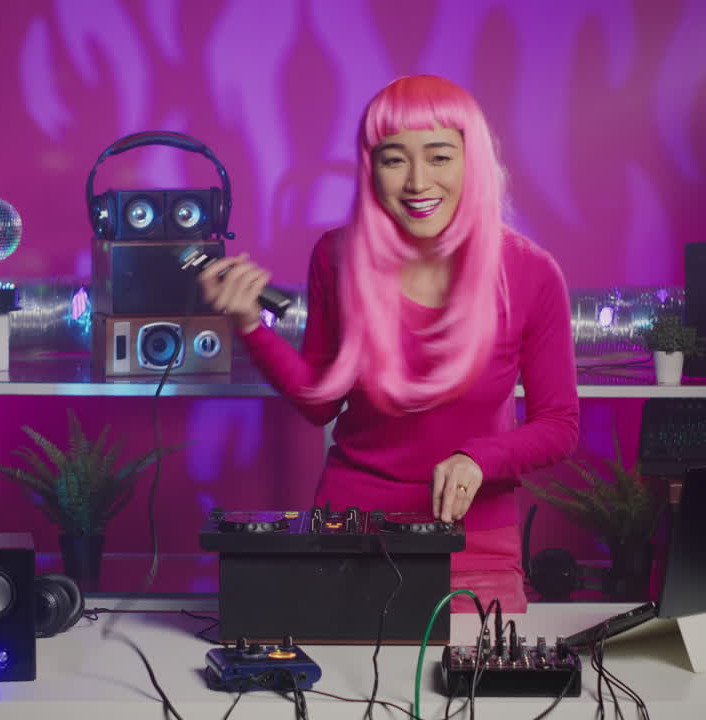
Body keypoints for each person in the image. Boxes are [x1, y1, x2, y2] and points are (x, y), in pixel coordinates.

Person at [197, 75, 580, 613]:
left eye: (440, 157)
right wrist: (248, 324)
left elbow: (558, 425)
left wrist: (480, 457)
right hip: (352, 530)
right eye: (394, 159)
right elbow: (319, 400)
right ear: (370, 168)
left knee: (474, 693)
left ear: (472, 162)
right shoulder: (336, 257)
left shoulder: (531, 272)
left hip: (473, 541)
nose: (418, 182)